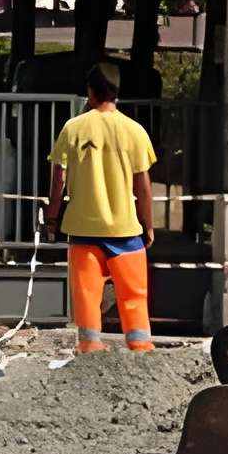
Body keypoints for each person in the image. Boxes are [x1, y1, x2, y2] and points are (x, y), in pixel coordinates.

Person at [46, 62, 159, 356]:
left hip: (83, 230)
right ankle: (140, 348)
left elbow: (58, 178)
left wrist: (52, 218)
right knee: (134, 296)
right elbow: (143, 186)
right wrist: (147, 223)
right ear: (117, 93)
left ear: (90, 92)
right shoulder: (134, 131)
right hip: (126, 231)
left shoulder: (73, 128)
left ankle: (90, 349)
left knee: (86, 296)